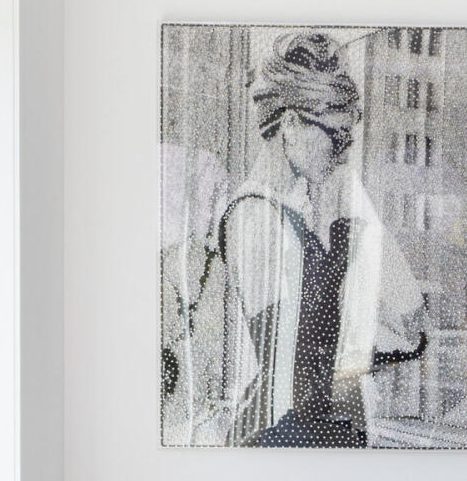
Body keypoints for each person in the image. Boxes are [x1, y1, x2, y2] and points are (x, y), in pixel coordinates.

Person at [168, 31, 427, 446]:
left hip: (317, 433)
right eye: (334, 133)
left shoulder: (299, 214)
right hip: (288, 436)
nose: (343, 150)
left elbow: (412, 326)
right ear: (290, 123)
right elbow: (293, 370)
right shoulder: (255, 216)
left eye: (349, 137)